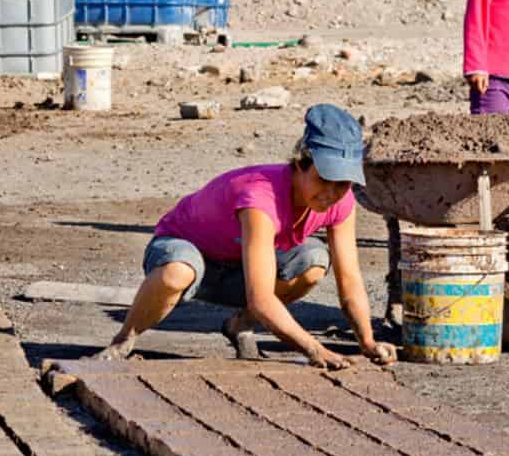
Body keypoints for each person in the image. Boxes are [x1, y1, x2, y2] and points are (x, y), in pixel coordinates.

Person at [97, 104, 397, 370]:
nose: (332, 193)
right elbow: (261, 298)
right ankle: (124, 339)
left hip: (239, 268)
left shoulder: (340, 202)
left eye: (343, 183)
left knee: (313, 261)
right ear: (301, 163)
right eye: (325, 179)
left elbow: (351, 281)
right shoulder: (259, 197)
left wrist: (367, 342)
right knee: (179, 271)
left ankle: (238, 325)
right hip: (183, 255)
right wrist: (314, 349)